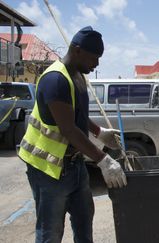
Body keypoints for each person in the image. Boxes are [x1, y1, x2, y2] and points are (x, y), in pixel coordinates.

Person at [18, 26, 127, 243]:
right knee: (50, 231)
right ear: (77, 50)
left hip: (75, 166)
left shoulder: (77, 76)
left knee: (84, 222)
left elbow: (75, 115)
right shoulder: (55, 80)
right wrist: (103, 160)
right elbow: (68, 128)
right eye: (94, 57)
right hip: (49, 169)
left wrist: (99, 132)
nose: (96, 64)